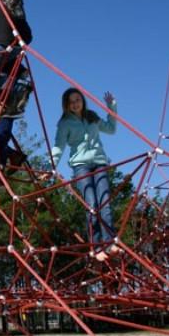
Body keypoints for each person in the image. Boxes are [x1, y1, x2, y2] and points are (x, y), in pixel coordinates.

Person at [51, 88, 119, 262]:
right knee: (91, 204)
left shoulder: (92, 116)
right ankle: (96, 247)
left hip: (99, 162)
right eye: (71, 101)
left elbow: (111, 129)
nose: (75, 104)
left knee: (105, 202)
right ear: (66, 105)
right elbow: (59, 146)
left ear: (83, 100)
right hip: (81, 165)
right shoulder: (65, 123)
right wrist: (52, 164)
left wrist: (111, 107)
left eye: (77, 100)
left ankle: (110, 242)